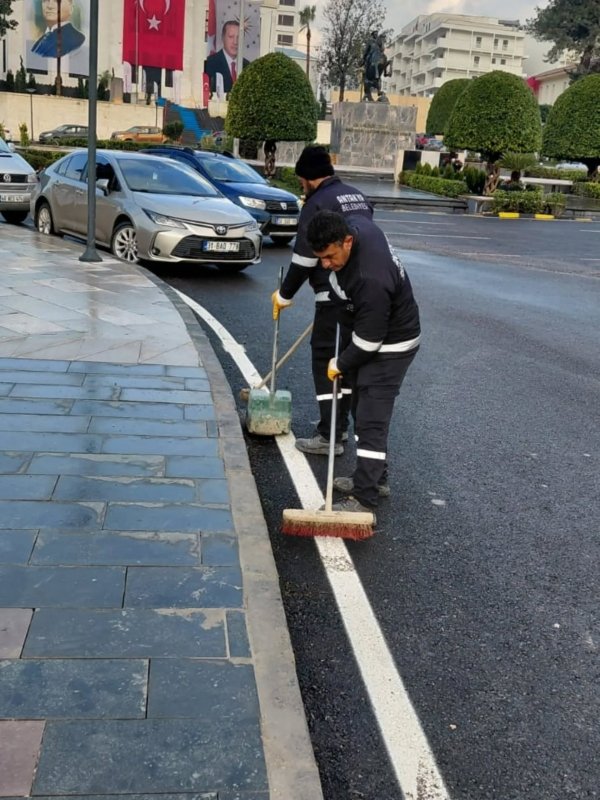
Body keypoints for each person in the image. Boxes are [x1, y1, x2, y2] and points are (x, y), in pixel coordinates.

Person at [306, 210, 421, 515]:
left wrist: (340, 363)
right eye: (320, 258)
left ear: (347, 240)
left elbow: (369, 342)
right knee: (359, 407)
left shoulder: (369, 277)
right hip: (371, 332)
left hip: (392, 344)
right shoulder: (356, 229)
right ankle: (373, 477)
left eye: (330, 256)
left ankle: (365, 498)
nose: (325, 264)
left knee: (371, 417)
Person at [271, 145, 374, 457]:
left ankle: (330, 435)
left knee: (325, 362)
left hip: (334, 296)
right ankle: (337, 426)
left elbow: (304, 259)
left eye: (302, 181)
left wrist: (284, 295)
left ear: (307, 179)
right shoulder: (356, 195)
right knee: (345, 365)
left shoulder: (316, 203)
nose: (302, 186)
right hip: (362, 294)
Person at [205, 21, 249, 96]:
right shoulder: (209, 64)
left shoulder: (248, 67)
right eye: (231, 37)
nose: (235, 42)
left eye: (239, 37)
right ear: (223, 38)